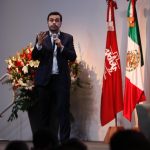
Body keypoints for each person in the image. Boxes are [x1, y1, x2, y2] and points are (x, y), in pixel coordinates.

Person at [32, 11, 77, 144]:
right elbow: (35, 56)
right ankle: (44, 144)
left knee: (63, 113)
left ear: (60, 23)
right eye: (51, 20)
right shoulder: (42, 37)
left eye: (57, 20)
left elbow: (73, 56)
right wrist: (39, 44)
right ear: (47, 22)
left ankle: (64, 143)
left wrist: (61, 47)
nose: (54, 22)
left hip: (61, 81)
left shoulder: (68, 38)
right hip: (44, 81)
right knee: (43, 113)